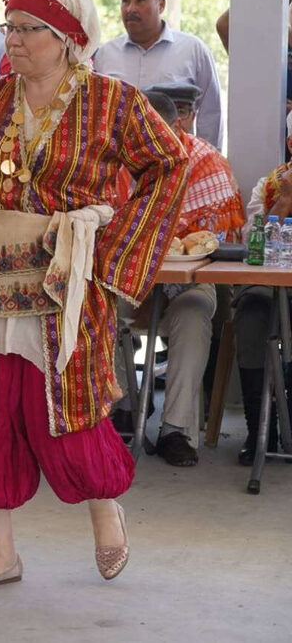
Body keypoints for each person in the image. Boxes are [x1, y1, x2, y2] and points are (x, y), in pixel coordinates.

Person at [0, 0, 188, 593]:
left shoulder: (113, 102)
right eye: (11, 28)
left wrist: (111, 246)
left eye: (29, 29)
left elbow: (170, 164)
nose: (15, 40)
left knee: (65, 411)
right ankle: (2, 555)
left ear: (68, 39)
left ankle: (105, 509)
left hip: (64, 280)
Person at [116, 89, 244, 466]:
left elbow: (220, 240)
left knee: (192, 314)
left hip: (192, 277)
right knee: (97, 306)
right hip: (128, 274)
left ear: (177, 126)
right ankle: (122, 406)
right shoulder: (117, 163)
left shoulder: (206, 162)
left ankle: (175, 429)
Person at [94, 0, 223, 149]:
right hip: (120, 167)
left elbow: (211, 113)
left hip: (179, 163)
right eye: (125, 1)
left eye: (140, 0)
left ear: (161, 4)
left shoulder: (192, 50)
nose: (131, 9)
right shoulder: (105, 55)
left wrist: (208, 160)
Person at [234, 111, 292, 465]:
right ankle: (259, 430)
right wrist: (284, 202)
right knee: (251, 312)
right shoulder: (268, 186)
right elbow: (251, 244)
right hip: (271, 285)